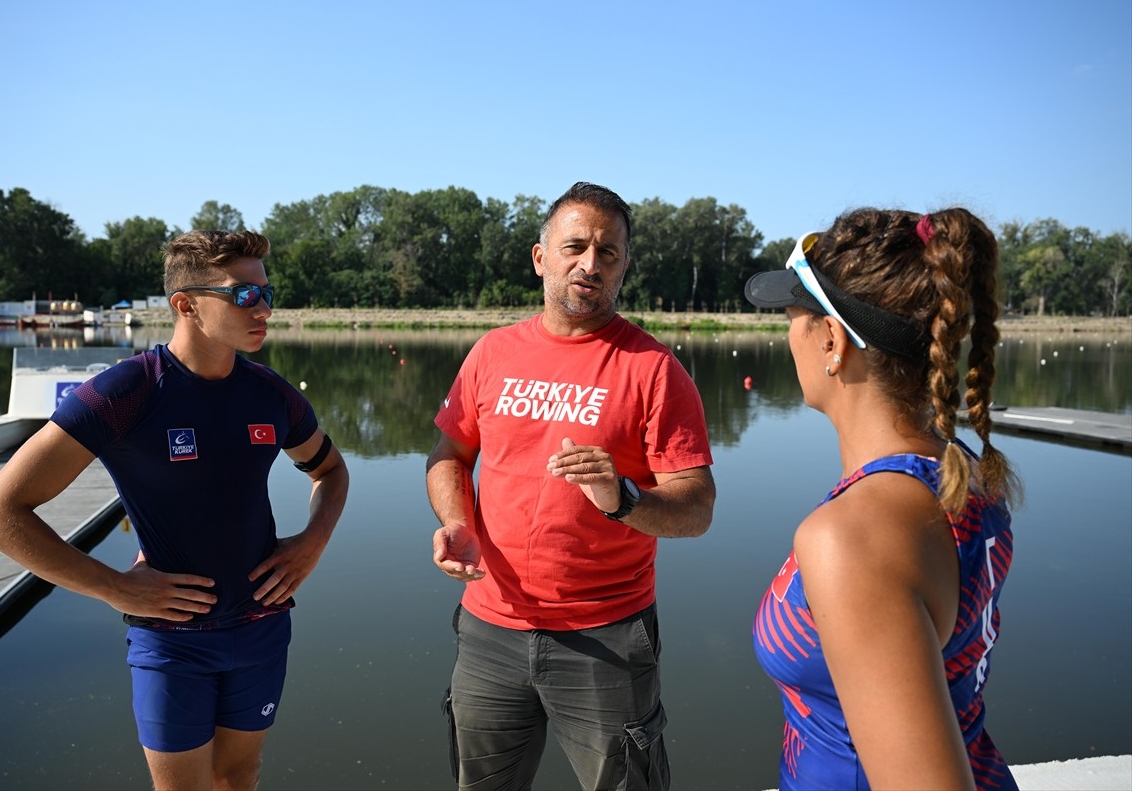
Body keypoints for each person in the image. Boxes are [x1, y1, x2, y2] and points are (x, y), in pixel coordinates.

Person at [0, 230, 349, 791]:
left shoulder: (271, 394)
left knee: (240, 777)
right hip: (171, 641)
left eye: (268, 293)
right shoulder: (128, 392)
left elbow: (331, 471)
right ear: (185, 304)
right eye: (245, 295)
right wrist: (113, 587)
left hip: (263, 626)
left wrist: (311, 541)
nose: (264, 308)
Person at [426, 181, 716, 791]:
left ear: (624, 266)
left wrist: (624, 498)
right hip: (489, 627)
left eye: (608, 253)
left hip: (606, 637)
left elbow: (696, 508)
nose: (590, 264)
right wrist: (458, 523)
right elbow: (449, 453)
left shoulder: (654, 370)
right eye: (575, 247)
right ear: (541, 258)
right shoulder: (491, 353)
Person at [743, 208, 1021, 790]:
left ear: (831, 340)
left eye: (793, 316)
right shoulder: (961, 472)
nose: (787, 333)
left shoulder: (852, 538)